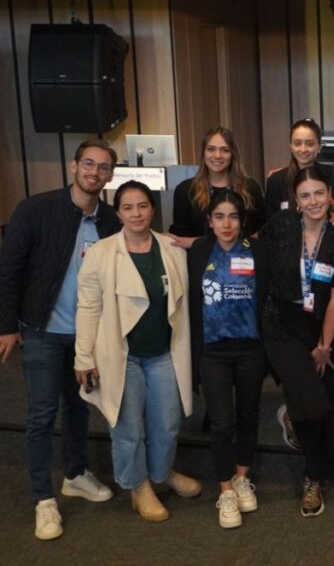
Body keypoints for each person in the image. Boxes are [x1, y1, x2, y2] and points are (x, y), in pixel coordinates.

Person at [0, 139, 119, 540]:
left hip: (86, 337)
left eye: (103, 167)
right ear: (73, 166)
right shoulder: (36, 209)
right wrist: (7, 325)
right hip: (42, 331)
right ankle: (43, 500)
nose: (94, 172)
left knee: (79, 408)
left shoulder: (110, 221)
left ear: (110, 176)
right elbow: (9, 269)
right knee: (39, 415)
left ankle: (75, 473)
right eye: (89, 163)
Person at [75, 180, 200, 523]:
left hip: (162, 353)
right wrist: (83, 357)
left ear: (153, 209)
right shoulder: (101, 254)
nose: (136, 213)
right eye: (128, 207)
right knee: (128, 428)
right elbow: (87, 308)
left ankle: (161, 474)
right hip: (122, 357)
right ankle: (138, 485)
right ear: (118, 213)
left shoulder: (171, 249)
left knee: (168, 422)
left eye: (142, 206)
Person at [260, 166, 334, 517]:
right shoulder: (280, 226)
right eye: (305, 195)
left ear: (329, 194)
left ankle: (314, 477)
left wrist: (325, 346)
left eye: (318, 193)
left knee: (323, 408)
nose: (313, 201)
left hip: (321, 328)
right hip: (281, 324)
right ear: (295, 201)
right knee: (313, 407)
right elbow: (247, 247)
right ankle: (292, 417)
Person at [187, 190, 269, 529]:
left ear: (242, 220)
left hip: (251, 348)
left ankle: (241, 478)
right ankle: (225, 492)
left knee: (249, 417)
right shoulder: (198, 252)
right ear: (209, 221)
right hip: (213, 351)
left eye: (233, 216)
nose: (226, 223)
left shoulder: (258, 252)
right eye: (219, 216)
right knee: (222, 423)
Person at [169, 127, 265, 248]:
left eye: (225, 150)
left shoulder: (250, 187)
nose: (217, 155)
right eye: (211, 149)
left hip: (243, 262)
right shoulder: (185, 190)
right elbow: (179, 239)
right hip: (199, 262)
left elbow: (261, 233)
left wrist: (195, 242)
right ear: (203, 153)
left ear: (233, 154)